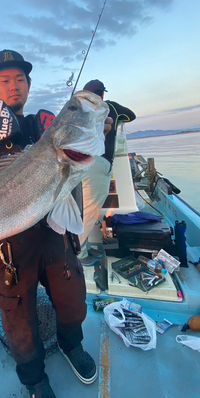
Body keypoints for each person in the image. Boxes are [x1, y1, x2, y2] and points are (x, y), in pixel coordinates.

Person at [0, 50, 98, 398]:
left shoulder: (43, 124)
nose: (14, 85)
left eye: (20, 79)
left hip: (53, 232)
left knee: (71, 298)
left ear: (30, 85)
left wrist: (97, 116)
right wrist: (5, 145)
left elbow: (75, 151)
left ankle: (73, 346)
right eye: (5, 80)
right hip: (8, 242)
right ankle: (35, 381)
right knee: (18, 317)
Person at [78, 79, 136, 262]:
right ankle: (78, 254)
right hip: (98, 164)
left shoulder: (80, 110)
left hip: (81, 165)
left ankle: (84, 249)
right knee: (90, 212)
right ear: (102, 94)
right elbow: (131, 115)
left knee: (82, 209)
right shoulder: (111, 107)